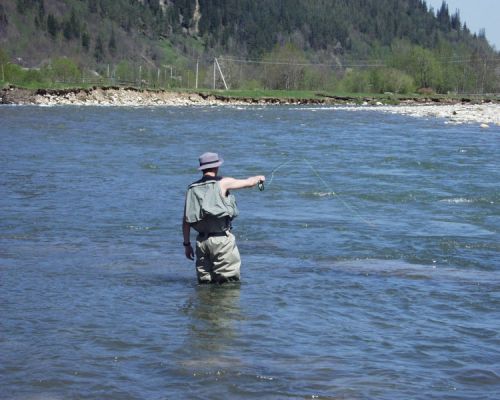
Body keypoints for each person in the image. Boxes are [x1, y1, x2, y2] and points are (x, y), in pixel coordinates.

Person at [182, 152, 265, 284]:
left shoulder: (192, 188)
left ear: (202, 168)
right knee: (228, 284)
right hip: (221, 241)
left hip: (201, 242)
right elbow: (248, 183)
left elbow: (186, 220)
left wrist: (187, 245)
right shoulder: (223, 183)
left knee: (204, 284)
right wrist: (258, 178)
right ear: (217, 166)